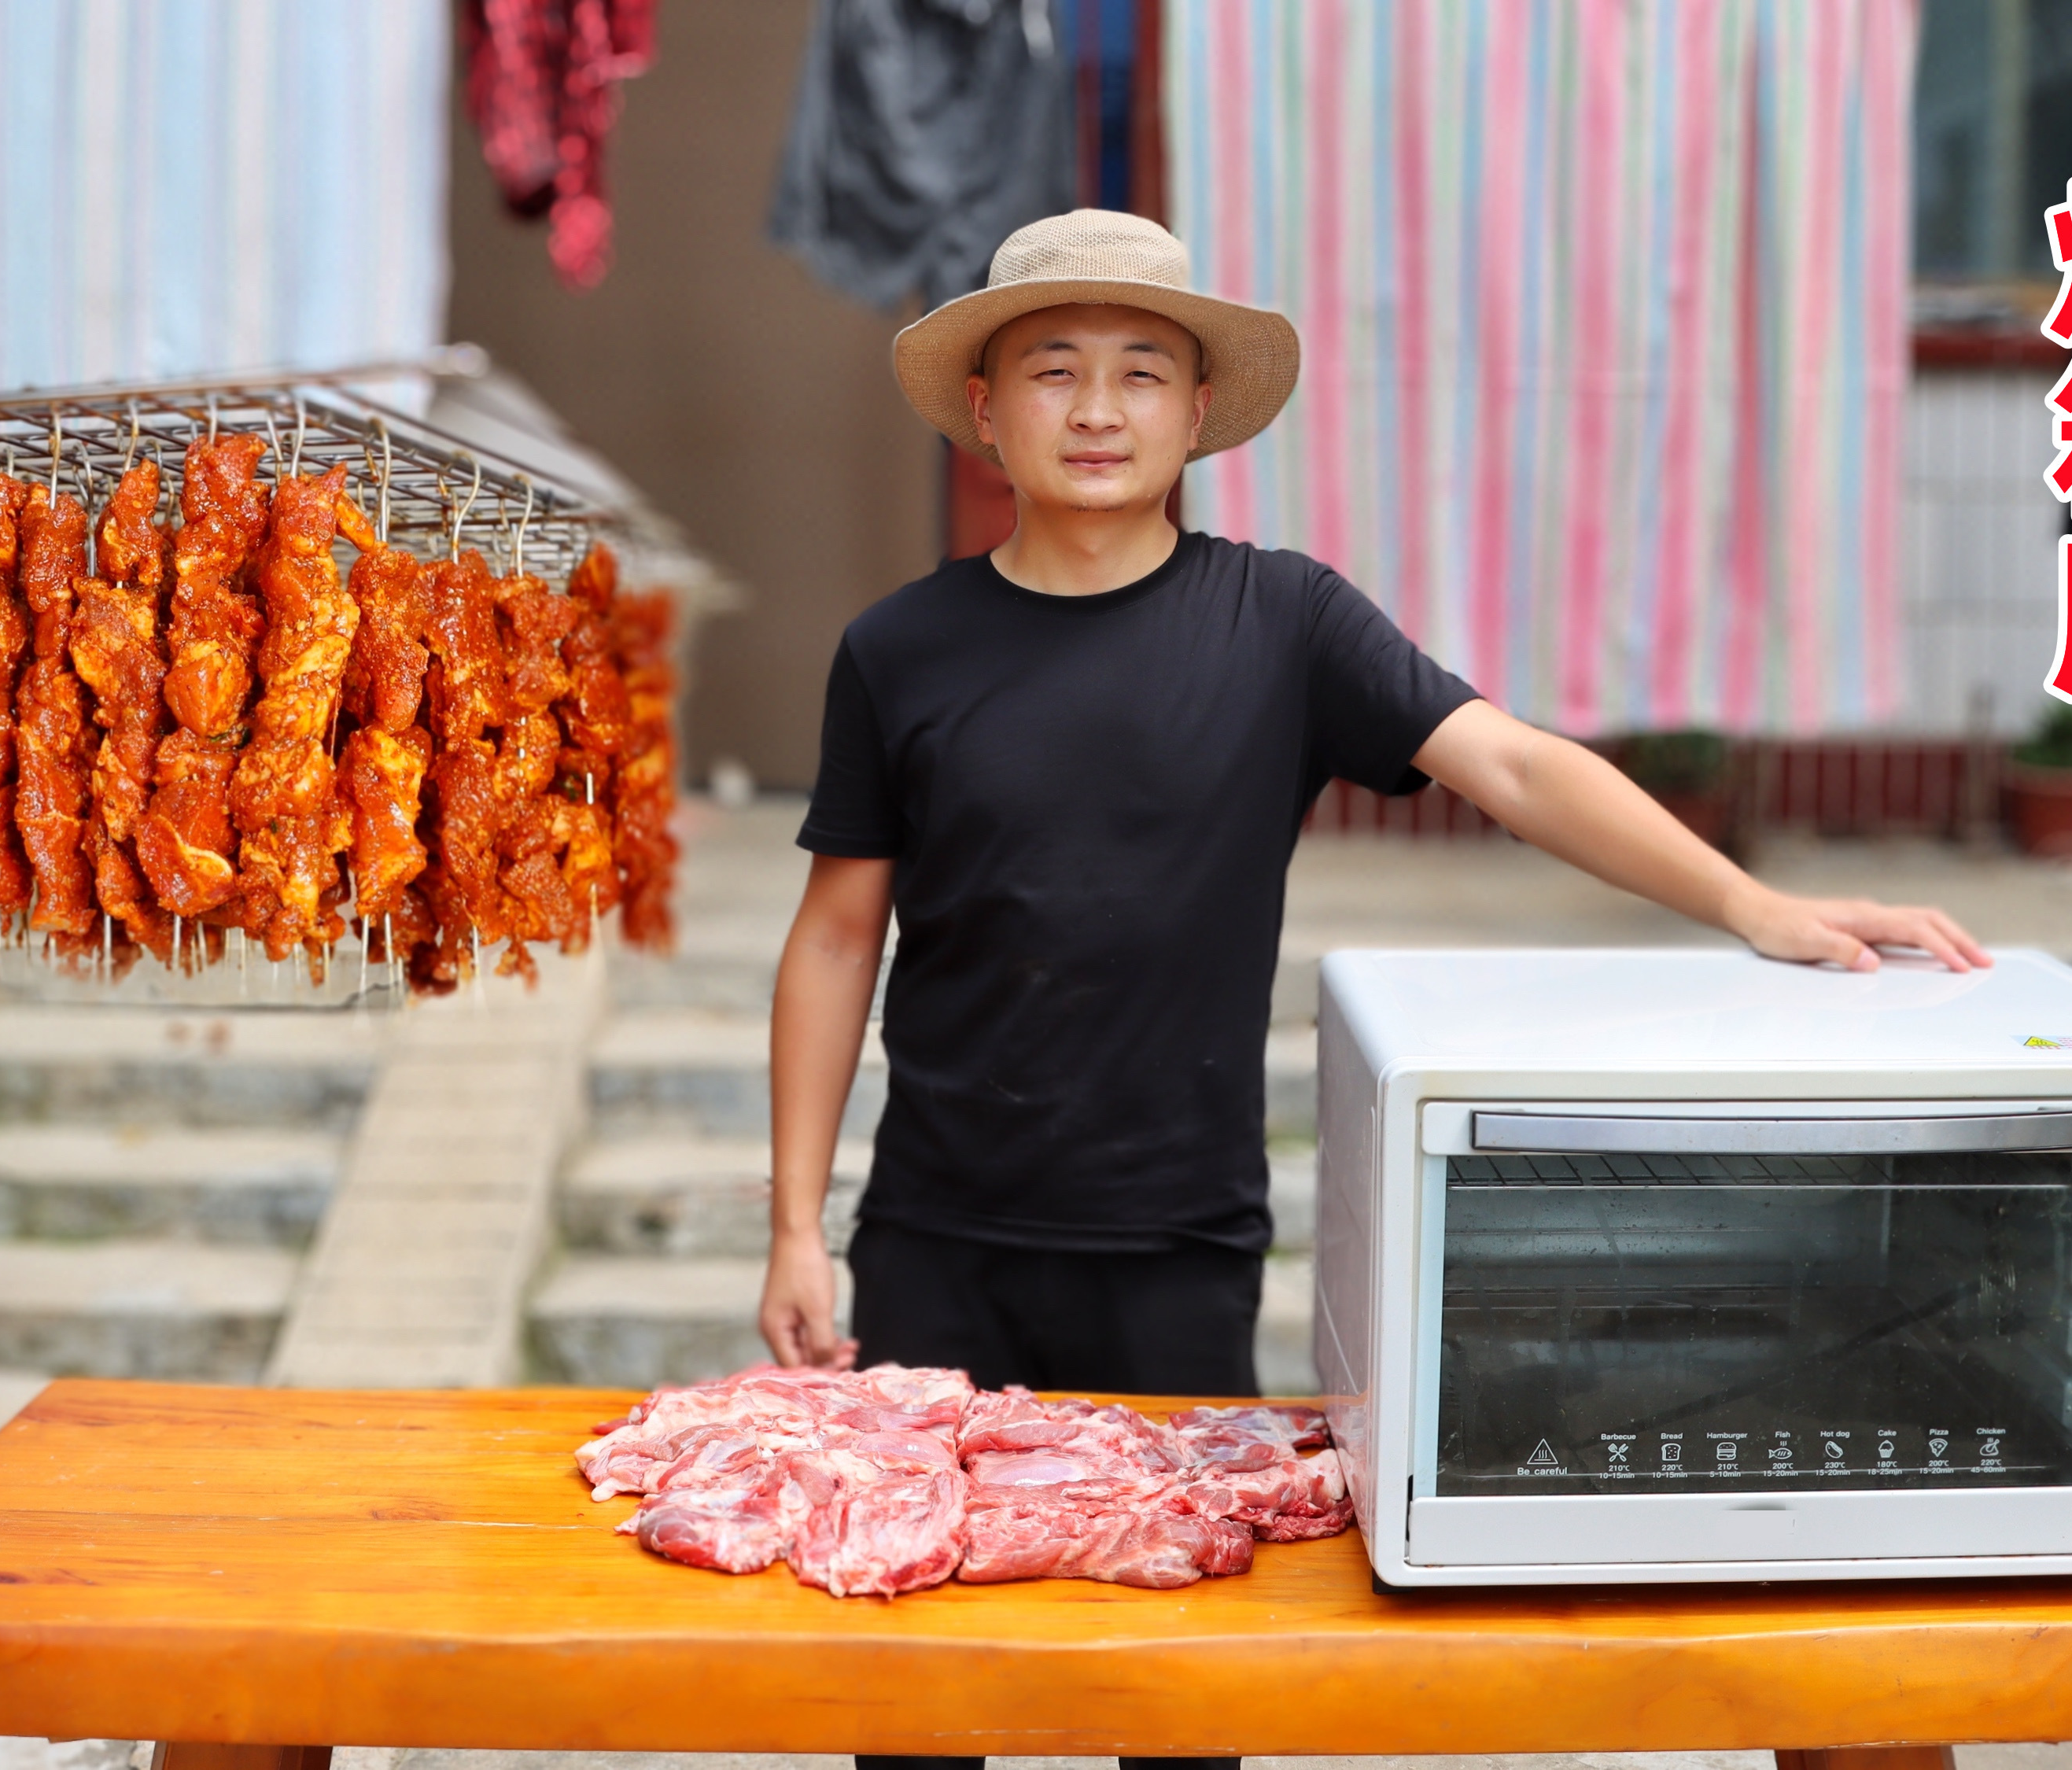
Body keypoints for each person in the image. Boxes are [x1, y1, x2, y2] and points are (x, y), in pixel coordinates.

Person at [758, 213, 1985, 1770]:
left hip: (1173, 1241)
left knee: (1183, 1685)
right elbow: (830, 936)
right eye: (1051, 370)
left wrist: (1754, 905)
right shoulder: (901, 648)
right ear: (983, 411)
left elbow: (1515, 766)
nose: (1094, 410)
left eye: (1140, 373)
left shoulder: (1281, 622)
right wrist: (797, 1224)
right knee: (920, 1684)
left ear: (1196, 414)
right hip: (936, 1232)